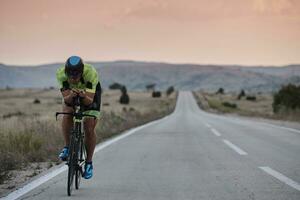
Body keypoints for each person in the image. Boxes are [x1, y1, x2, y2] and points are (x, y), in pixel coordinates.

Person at [56, 55, 101, 179]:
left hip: (90, 95)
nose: (73, 79)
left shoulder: (90, 73)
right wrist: (71, 96)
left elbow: (88, 102)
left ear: (81, 73)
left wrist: (82, 96)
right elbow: (67, 99)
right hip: (72, 94)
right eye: (70, 76)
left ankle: (89, 163)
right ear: (66, 73)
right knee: (67, 112)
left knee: (89, 125)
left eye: (76, 76)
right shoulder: (61, 74)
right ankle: (67, 146)